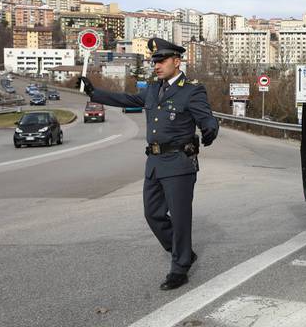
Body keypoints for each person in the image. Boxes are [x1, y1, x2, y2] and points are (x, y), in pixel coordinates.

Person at [78, 38, 219, 290]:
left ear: (177, 61)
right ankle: (180, 250)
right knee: (152, 214)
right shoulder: (154, 88)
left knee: (180, 217)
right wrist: (94, 93)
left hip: (178, 162)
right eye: (154, 61)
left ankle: (180, 267)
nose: (156, 65)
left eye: (161, 60)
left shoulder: (192, 89)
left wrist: (210, 128)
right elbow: (130, 100)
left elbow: (205, 117)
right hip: (154, 162)